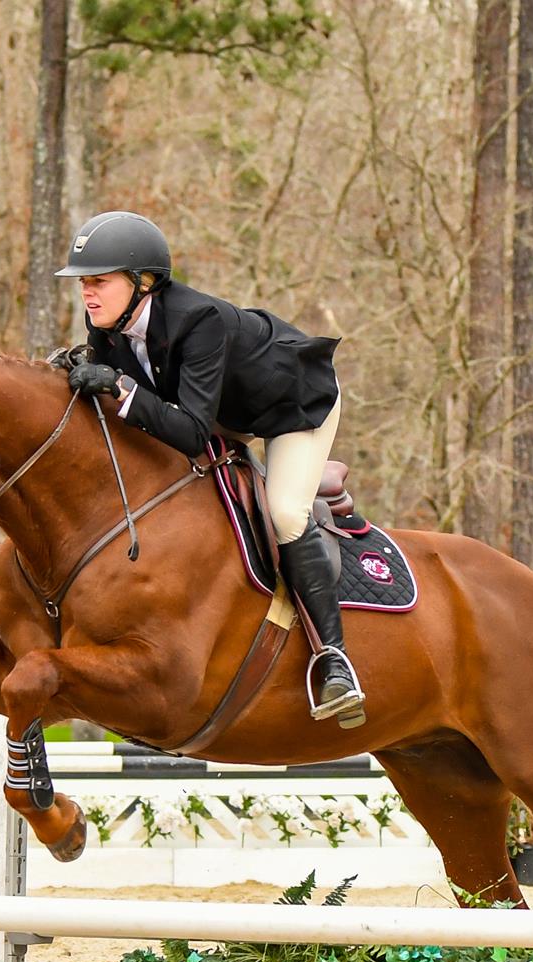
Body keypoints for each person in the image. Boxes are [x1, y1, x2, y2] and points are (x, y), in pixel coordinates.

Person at [55, 210, 364, 725]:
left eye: (99, 282)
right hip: (220, 407)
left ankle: (334, 659)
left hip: (291, 407)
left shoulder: (199, 321)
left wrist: (120, 386)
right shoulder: (105, 321)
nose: (88, 294)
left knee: (285, 512)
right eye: (84, 283)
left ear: (143, 283)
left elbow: (193, 431)